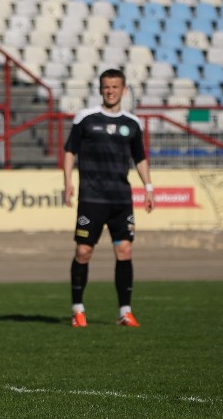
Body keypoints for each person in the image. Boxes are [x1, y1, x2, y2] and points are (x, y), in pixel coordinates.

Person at [63, 68, 155, 328]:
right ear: (100, 89)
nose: (110, 91)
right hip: (91, 198)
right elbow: (70, 151)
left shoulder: (132, 123)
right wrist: (68, 182)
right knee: (83, 251)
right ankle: (77, 309)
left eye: (115, 87)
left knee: (124, 250)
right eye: (106, 86)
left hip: (121, 199)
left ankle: (125, 311)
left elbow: (140, 158)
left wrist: (148, 187)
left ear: (124, 90)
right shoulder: (86, 118)